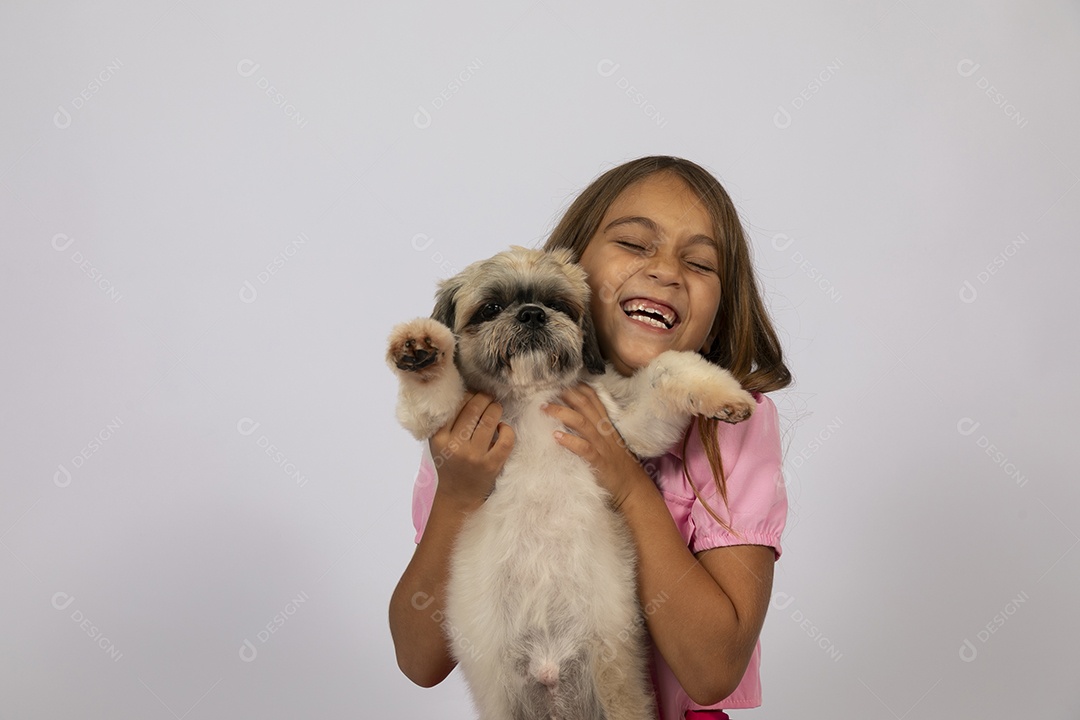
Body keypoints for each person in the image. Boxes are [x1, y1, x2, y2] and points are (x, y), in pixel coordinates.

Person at [388, 155, 792, 719]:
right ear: (580, 261)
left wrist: (626, 482)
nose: (666, 272)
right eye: (634, 244)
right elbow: (419, 659)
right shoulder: (467, 435)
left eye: (699, 263)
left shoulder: (732, 427)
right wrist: (458, 493)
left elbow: (711, 672)